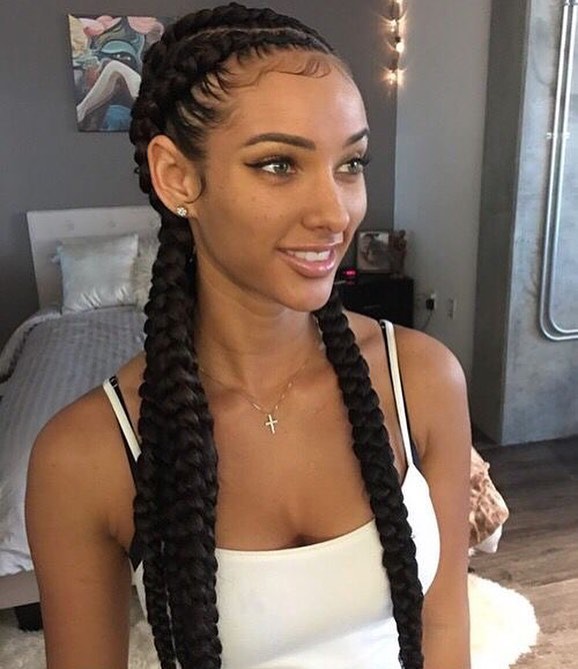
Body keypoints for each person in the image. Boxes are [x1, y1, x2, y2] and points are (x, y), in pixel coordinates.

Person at [25, 4, 472, 668]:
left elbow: (445, 626)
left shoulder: (424, 379)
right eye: (278, 164)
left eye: (351, 163)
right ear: (177, 177)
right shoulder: (85, 455)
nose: (335, 213)